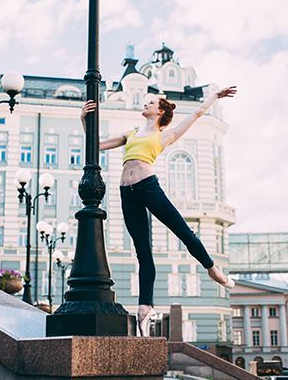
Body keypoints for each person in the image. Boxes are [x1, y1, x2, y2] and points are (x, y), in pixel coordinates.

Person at [80, 86, 237, 336]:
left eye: (150, 102)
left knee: (184, 232)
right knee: (143, 251)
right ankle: (145, 309)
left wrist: (215, 97)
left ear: (160, 110)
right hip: (126, 193)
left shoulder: (165, 135)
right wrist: (84, 120)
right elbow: (96, 146)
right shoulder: (131, 133)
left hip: (149, 188)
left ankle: (211, 268)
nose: (145, 104)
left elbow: (196, 114)